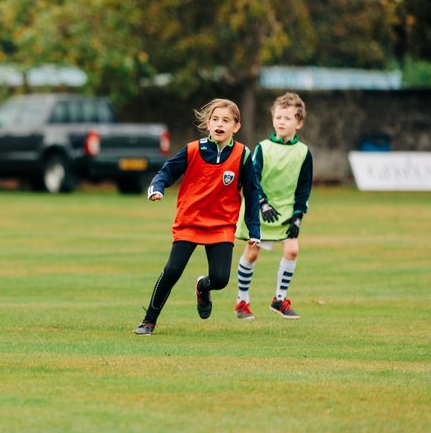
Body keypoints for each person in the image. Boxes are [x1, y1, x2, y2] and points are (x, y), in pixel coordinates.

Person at [133, 99, 260, 336]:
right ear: (208, 124)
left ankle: (203, 286)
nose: (219, 124)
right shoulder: (193, 149)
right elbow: (167, 171)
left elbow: (252, 194)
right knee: (172, 270)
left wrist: (255, 231)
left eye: (226, 120)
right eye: (215, 119)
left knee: (221, 279)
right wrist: (157, 187)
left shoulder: (243, 155)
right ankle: (148, 321)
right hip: (190, 221)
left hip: (221, 225)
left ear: (236, 126)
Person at [233, 92, 312, 320]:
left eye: (287, 118)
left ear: (299, 122)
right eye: (278, 117)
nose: (281, 122)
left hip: (286, 210)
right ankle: (242, 301)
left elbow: (304, 187)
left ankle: (279, 299)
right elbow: (252, 180)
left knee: (292, 249)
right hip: (260, 208)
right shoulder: (263, 148)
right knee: (252, 252)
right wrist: (262, 203)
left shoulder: (304, 153)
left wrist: (298, 215)